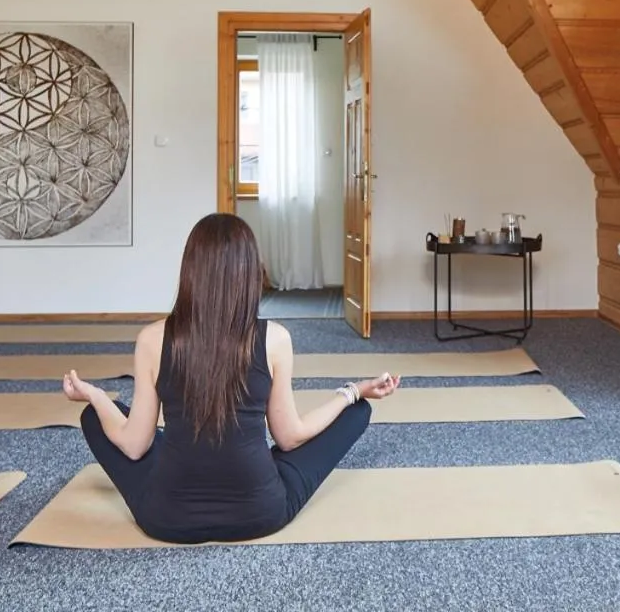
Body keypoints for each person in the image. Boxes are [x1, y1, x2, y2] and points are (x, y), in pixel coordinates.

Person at [61, 213, 400, 543]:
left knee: (98, 417)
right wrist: (353, 391)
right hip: (260, 513)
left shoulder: (152, 339)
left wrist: (95, 396)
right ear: (250, 272)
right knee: (357, 412)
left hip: (166, 517)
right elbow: (290, 438)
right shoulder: (275, 339)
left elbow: (134, 447)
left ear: (190, 270)